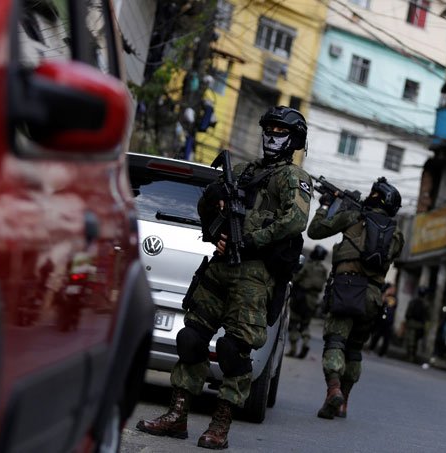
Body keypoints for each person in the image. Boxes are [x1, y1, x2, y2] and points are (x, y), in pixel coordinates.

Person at [136, 106, 312, 449]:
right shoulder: (243, 172)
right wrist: (213, 219)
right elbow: (207, 206)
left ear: (294, 140)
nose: (271, 137)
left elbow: (295, 221)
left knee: (233, 350)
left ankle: (220, 425)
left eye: (280, 132)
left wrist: (253, 240)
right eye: (269, 129)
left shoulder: (292, 177)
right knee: (191, 339)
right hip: (219, 267)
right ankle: (177, 416)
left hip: (255, 276)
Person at [307, 177, 404, 420]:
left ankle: (333, 390)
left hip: (347, 288)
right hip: (373, 296)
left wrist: (327, 205)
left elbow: (316, 231)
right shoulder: (396, 234)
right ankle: (344, 403)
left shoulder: (352, 217)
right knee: (355, 350)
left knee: (335, 342)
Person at [287, 245, 329, 359]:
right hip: (313, 300)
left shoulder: (308, 265)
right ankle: (305, 343)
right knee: (305, 324)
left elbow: (296, 278)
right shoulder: (323, 270)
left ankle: (293, 349)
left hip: (301, 297)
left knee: (294, 323)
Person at [368, 283, 397, 356]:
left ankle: (382, 353)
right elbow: (381, 302)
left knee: (386, 338)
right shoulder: (384, 295)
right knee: (377, 335)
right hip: (381, 319)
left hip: (389, 320)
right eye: (391, 289)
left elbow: (394, 306)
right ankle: (371, 348)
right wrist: (386, 294)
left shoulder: (395, 298)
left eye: (394, 289)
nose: (393, 290)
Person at [404, 286, 429, 363]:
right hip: (419, 325)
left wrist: (408, 321)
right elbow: (427, 317)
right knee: (415, 341)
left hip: (412, 323)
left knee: (411, 341)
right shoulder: (426, 304)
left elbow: (407, 313)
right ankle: (412, 356)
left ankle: (410, 356)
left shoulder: (413, 302)